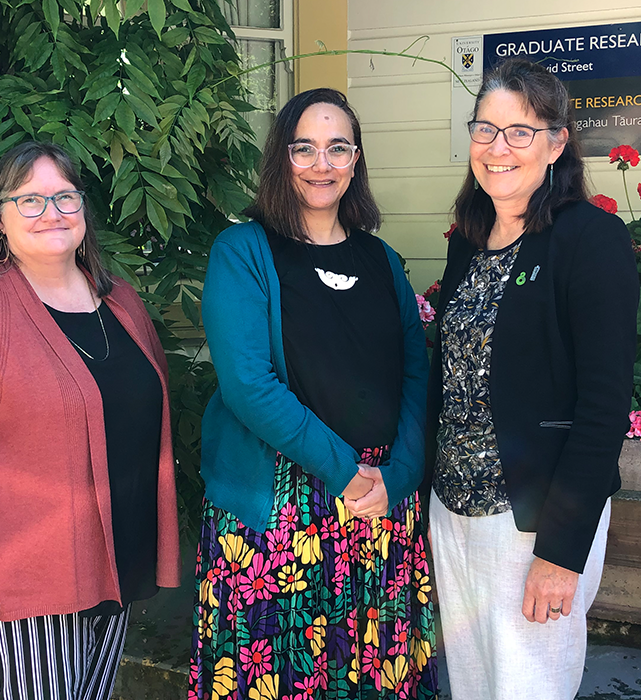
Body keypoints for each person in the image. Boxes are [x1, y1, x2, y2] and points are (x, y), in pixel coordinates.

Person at [0, 141, 180, 700]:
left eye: (65, 197)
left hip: (110, 571)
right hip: (17, 583)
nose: (51, 212)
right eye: (29, 200)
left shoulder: (120, 302)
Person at [191, 88, 438, 699]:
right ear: (282, 158)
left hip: (379, 509)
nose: (322, 164)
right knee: (282, 676)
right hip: (281, 512)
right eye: (305, 148)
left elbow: (415, 369)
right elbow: (248, 385)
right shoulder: (243, 252)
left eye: (337, 148)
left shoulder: (382, 259)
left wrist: (400, 476)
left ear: (356, 161)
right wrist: (345, 472)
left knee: (375, 670)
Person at [425, 59, 639, 699]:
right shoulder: (468, 240)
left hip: (531, 519)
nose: (498, 148)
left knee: (527, 686)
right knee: (470, 682)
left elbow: (603, 411)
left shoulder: (590, 239)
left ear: (556, 142)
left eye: (520, 131)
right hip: (453, 508)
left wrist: (561, 552)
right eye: (485, 129)